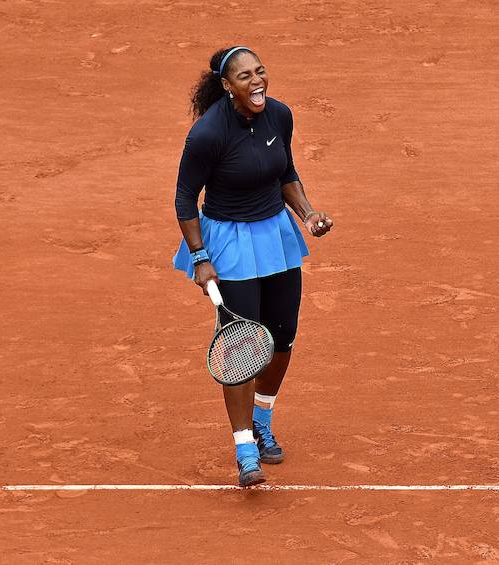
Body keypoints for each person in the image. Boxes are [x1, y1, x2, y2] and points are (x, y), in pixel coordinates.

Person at [173, 46, 333, 487]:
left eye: (260, 72)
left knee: (281, 339)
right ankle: (245, 448)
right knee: (242, 347)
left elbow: (286, 172)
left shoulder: (279, 115)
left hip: (276, 236)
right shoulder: (207, 134)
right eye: (245, 76)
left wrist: (308, 214)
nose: (256, 81)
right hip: (229, 242)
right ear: (227, 86)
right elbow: (185, 199)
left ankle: (262, 418)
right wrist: (200, 258)